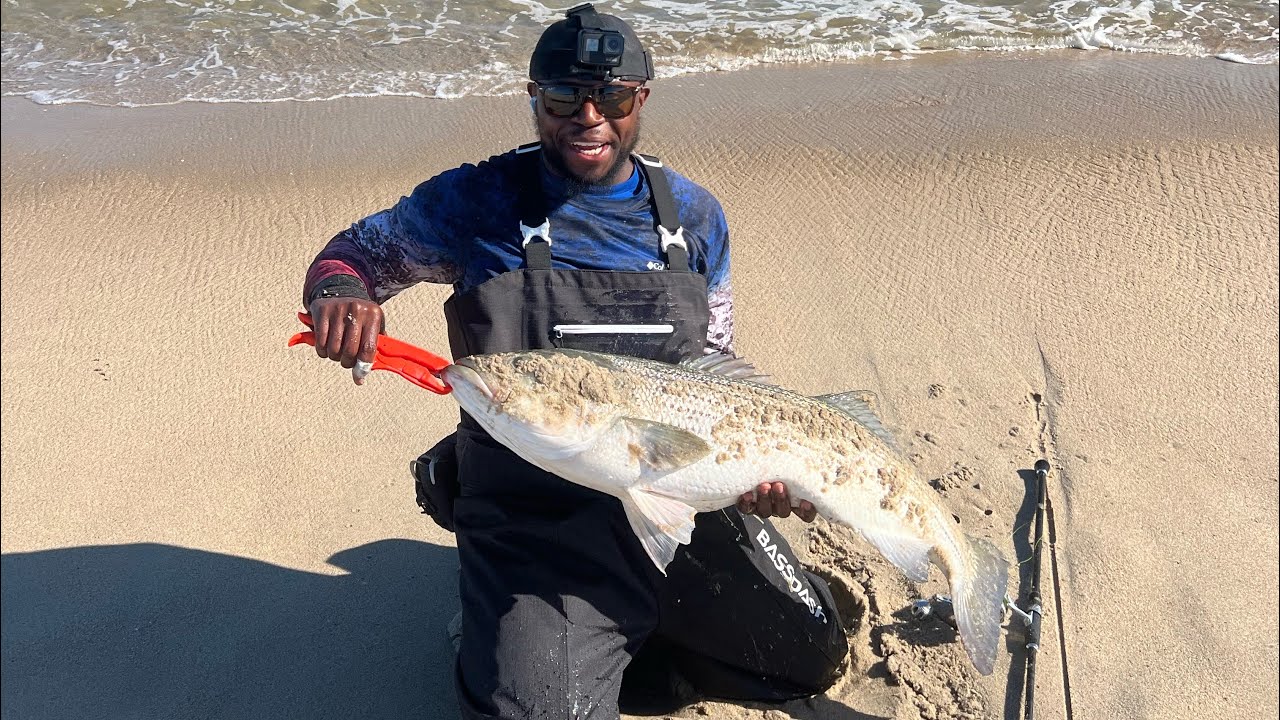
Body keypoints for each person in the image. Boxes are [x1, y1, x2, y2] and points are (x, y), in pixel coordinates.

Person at [300, 5, 848, 718]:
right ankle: (493, 618)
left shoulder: (695, 217)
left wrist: (754, 478)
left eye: (612, 97)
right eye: (563, 97)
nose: (588, 116)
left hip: (671, 494)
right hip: (537, 518)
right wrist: (342, 294)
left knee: (808, 659)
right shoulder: (477, 202)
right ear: (535, 99)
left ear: (639, 101)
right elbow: (354, 255)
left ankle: (629, 639)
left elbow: (715, 358)